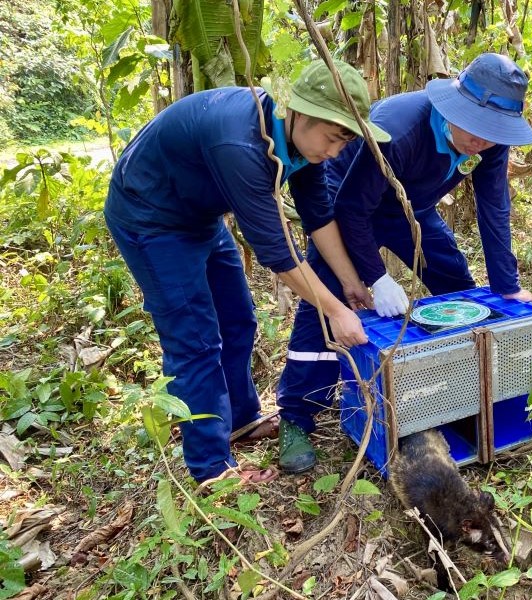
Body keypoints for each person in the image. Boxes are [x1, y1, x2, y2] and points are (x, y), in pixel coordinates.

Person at [104, 60, 390, 485]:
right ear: (300, 112)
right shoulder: (240, 144)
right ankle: (212, 469)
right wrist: (334, 310)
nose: (333, 153)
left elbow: (319, 217)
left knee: (239, 319)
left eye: (342, 143)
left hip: (201, 215)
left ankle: (240, 419)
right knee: (195, 339)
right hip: (151, 217)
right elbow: (278, 253)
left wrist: (350, 281)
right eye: (331, 139)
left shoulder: (300, 142)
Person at [276, 52, 532, 472]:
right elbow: (351, 207)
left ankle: (457, 391)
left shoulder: (492, 141)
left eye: (493, 133)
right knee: (326, 306)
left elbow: (494, 208)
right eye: (476, 127)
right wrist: (376, 278)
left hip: (410, 207)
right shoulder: (401, 129)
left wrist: (507, 284)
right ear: (454, 107)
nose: (482, 142)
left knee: (458, 286)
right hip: (347, 201)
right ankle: (295, 415)